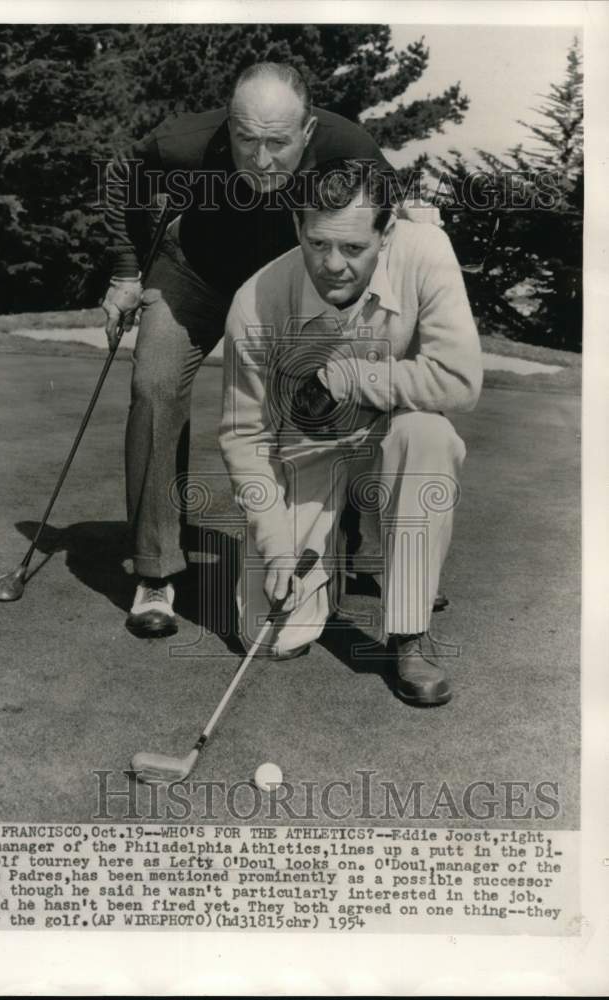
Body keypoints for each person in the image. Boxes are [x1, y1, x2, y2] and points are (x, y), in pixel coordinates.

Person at [101, 61, 439, 638]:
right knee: (153, 382)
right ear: (228, 125)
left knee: (328, 393)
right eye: (246, 139)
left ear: (307, 132)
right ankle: (156, 571)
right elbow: (120, 178)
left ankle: (342, 546)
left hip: (292, 280)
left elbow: (387, 225)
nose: (261, 160)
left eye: (278, 143)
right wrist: (126, 271)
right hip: (195, 272)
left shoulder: (349, 148)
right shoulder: (179, 141)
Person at [218, 159, 483, 706]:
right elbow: (245, 438)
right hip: (307, 454)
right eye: (318, 244)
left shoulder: (426, 252)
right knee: (270, 636)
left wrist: (350, 376)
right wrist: (275, 545)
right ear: (298, 226)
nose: (332, 265)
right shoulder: (254, 301)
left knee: (427, 435)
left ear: (386, 234)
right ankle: (328, 551)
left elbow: (459, 380)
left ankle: (408, 632)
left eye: (354, 249)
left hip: (390, 441)